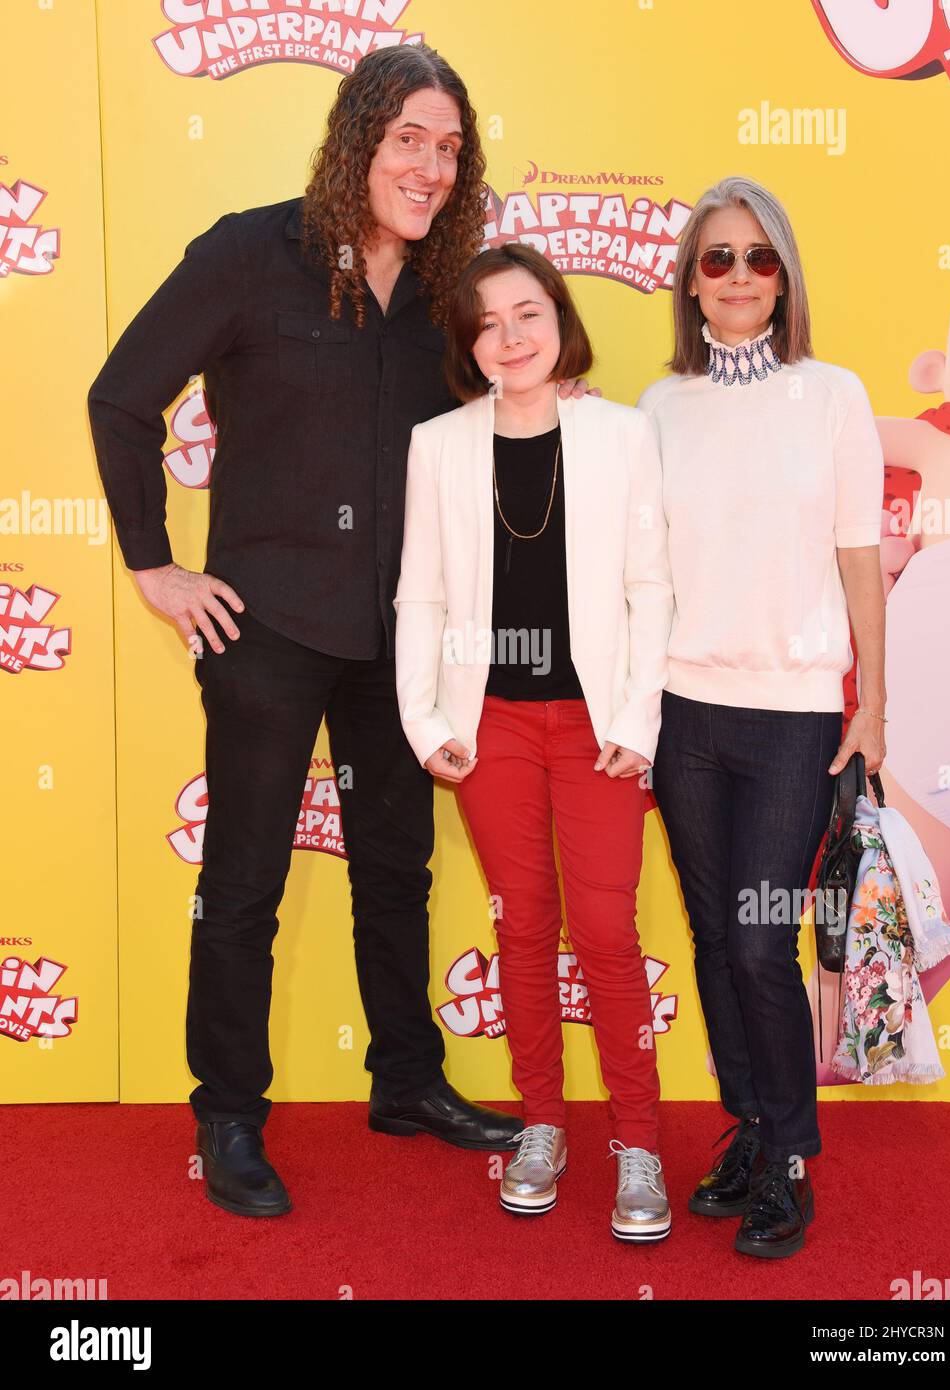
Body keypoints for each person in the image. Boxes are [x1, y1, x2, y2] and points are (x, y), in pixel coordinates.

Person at [87, 44, 593, 1220]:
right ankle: (227, 1113)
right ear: (359, 135)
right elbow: (121, 397)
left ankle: (405, 1082)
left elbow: (498, 431)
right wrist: (154, 564)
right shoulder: (245, 253)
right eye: (408, 136)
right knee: (245, 880)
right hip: (263, 631)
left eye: (449, 147)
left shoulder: (446, 289)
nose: (427, 164)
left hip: (397, 634)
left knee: (396, 872)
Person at [393, 243, 674, 1241]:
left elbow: (649, 588)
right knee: (520, 927)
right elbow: (421, 590)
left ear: (558, 319)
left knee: (604, 933)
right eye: (486, 323)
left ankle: (636, 1141)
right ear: (467, 343)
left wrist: (636, 722)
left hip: (597, 730)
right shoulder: (438, 444)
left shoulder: (622, 435)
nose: (509, 337)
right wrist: (428, 722)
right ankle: (542, 1125)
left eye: (526, 315)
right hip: (491, 728)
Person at [637, 175, 886, 1258]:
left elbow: (858, 561)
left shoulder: (831, 395)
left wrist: (871, 701)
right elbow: (640, 573)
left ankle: (787, 1155)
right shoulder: (659, 406)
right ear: (690, 280)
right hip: (681, 715)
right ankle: (747, 1127)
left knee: (753, 940)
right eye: (716, 258)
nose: (737, 277)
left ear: (783, 277)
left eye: (758, 258)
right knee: (709, 937)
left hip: (789, 717)